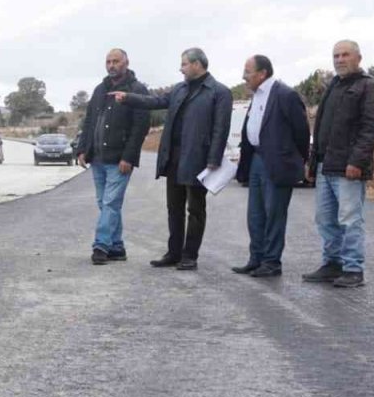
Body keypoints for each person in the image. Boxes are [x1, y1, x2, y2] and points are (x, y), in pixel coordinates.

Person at [115, 47, 232, 270]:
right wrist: (129, 98)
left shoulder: (219, 92)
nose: (181, 69)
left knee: (195, 210)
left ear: (198, 64)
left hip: (198, 159)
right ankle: (174, 253)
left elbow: (221, 128)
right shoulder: (180, 89)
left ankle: (190, 256)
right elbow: (156, 101)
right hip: (174, 158)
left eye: (184, 64)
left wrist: (214, 158)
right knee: (173, 208)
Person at [304, 40, 374, 288]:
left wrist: (357, 161)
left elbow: (371, 129)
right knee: (325, 219)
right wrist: (312, 160)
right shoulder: (333, 87)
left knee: (350, 219)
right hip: (325, 165)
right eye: (336, 55)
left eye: (345, 55)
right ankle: (332, 264)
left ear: (358, 58)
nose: (339, 59)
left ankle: (353, 268)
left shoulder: (368, 87)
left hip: (349, 168)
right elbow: (320, 128)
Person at [232, 55, 310, 277]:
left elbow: (301, 132)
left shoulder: (285, 95)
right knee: (255, 215)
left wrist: (297, 160)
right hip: (256, 160)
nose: (243, 77)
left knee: (274, 214)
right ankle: (256, 259)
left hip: (277, 163)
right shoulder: (256, 96)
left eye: (247, 72)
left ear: (262, 73)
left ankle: (272, 262)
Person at [76, 48, 150, 265]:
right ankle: (117, 247)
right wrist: (82, 149)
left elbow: (140, 127)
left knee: (110, 203)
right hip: (97, 159)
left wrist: (129, 157)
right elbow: (89, 121)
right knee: (106, 203)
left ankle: (101, 246)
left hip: (119, 160)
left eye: (116, 61)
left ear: (126, 62)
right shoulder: (100, 89)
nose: (111, 65)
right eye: (108, 61)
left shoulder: (137, 90)